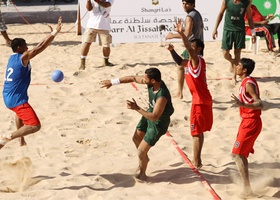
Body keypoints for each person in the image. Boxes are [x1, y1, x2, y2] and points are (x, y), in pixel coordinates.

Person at [100, 68, 174, 181]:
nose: (143, 80)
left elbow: (154, 117)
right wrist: (112, 82)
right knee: (136, 138)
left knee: (140, 151)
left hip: (158, 123)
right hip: (149, 114)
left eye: (146, 78)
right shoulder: (151, 83)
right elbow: (133, 78)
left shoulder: (162, 96)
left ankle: (142, 173)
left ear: (153, 80)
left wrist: (136, 108)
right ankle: (144, 159)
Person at [0, 17, 63, 149]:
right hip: (15, 99)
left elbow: (35, 48)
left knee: (20, 115)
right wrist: (54, 33)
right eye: (25, 45)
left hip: (8, 96)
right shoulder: (23, 57)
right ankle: (7, 138)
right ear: (19, 48)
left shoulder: (12, 57)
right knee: (35, 125)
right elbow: (39, 47)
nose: (27, 47)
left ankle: (20, 139)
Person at [167, 18, 213, 169]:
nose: (189, 49)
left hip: (199, 100)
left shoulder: (196, 59)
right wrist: (172, 51)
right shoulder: (192, 62)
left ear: (198, 49)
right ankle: (198, 160)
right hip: (203, 99)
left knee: (195, 133)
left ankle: (196, 162)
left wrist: (181, 34)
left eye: (192, 47)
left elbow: (188, 47)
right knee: (198, 132)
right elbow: (180, 62)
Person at [231, 58, 263, 198]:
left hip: (251, 122)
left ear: (244, 70)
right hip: (247, 121)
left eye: (238, 65)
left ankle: (247, 189)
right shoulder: (244, 81)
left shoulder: (249, 84)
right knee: (240, 154)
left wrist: (243, 105)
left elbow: (260, 104)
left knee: (237, 154)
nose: (236, 66)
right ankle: (247, 187)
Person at [165, 0, 203, 99]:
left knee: (184, 66)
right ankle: (180, 92)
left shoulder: (190, 17)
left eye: (187, 4)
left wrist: (172, 35)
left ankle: (181, 93)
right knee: (185, 68)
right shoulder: (197, 13)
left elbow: (187, 34)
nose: (184, 6)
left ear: (192, 4)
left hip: (192, 47)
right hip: (198, 45)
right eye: (183, 3)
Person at [212, 0, 255, 83]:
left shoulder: (246, 2)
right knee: (225, 53)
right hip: (228, 30)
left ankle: (234, 77)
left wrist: (253, 33)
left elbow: (249, 18)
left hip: (239, 31)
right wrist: (215, 29)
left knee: (237, 54)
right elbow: (220, 14)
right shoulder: (227, 1)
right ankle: (232, 62)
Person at [79, 0, 114, 71]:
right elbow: (89, 9)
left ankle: (106, 61)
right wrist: (88, 1)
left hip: (104, 25)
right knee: (87, 42)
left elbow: (106, 5)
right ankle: (82, 62)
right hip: (92, 25)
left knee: (106, 45)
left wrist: (97, 0)